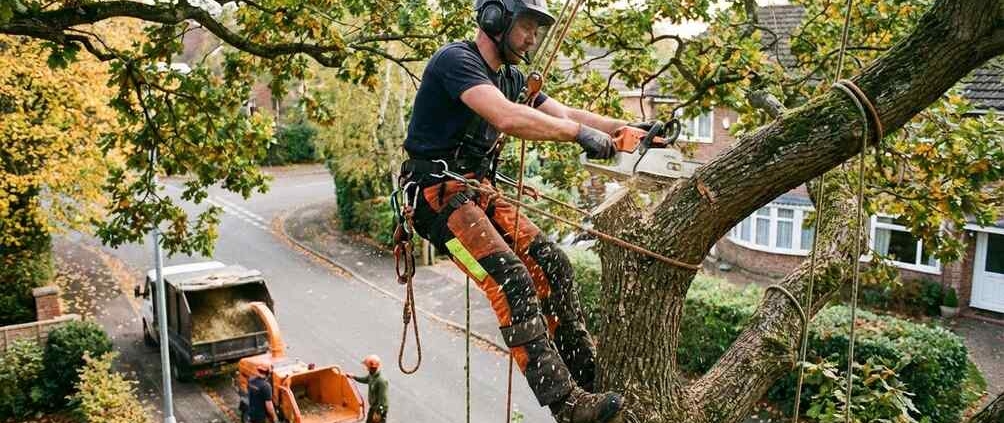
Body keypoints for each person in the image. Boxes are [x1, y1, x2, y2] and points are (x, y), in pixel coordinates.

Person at [397, 0, 657, 421]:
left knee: (553, 263)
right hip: (435, 199)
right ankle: (566, 404)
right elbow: (506, 117)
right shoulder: (456, 61)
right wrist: (579, 135)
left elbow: (566, 114)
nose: (533, 38)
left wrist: (625, 130)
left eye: (537, 29)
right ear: (495, 19)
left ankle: (585, 376)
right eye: (527, 26)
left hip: (474, 191)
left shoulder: (513, 77)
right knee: (511, 279)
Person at [349, 354, 390, 423]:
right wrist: (354, 377)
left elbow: (383, 401)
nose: (366, 367)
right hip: (373, 407)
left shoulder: (381, 381)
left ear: (371, 367)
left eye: (367, 366)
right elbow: (365, 379)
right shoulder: (372, 375)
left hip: (379, 410)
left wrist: (378, 413)